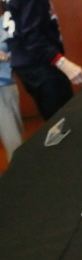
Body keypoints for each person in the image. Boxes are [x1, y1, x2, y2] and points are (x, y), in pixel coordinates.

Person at [0, 27, 22, 163]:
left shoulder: (4, 22)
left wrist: (7, 56)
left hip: (9, 83)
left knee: (17, 132)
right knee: (13, 140)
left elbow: (19, 50)